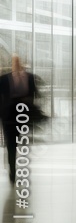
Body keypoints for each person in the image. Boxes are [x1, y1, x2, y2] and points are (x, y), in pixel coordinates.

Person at [0, 55, 40, 183]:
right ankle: (12, 169)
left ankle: (18, 166)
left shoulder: (29, 78)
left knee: (21, 142)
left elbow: (36, 94)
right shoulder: (4, 79)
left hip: (24, 116)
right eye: (14, 61)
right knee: (11, 145)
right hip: (8, 118)